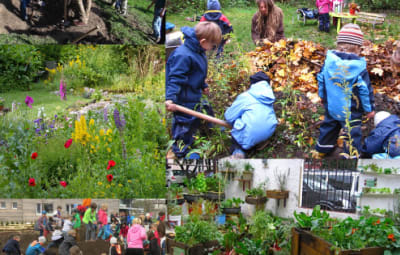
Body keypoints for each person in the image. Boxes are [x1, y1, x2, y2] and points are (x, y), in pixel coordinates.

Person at [314, 24, 375, 158]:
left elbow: (321, 79)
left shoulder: (328, 61)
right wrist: (369, 109)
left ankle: (322, 149)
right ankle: (352, 156)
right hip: (351, 111)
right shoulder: (359, 68)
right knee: (352, 133)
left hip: (332, 106)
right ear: (358, 48)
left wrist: (322, 96)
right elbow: (365, 90)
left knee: (329, 127)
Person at [165, 22, 222, 158]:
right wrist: (170, 98)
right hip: (183, 98)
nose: (212, 49)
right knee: (184, 124)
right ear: (203, 41)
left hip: (194, 92)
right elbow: (175, 79)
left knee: (205, 108)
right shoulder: (183, 56)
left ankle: (211, 131)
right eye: (212, 46)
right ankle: (179, 151)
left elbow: (196, 72)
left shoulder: (198, 51)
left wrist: (203, 85)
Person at [224, 71, 278, 158]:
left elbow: (229, 117)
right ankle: (259, 143)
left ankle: (238, 153)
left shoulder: (246, 96)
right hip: (269, 132)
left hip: (250, 133)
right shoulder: (269, 97)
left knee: (238, 140)